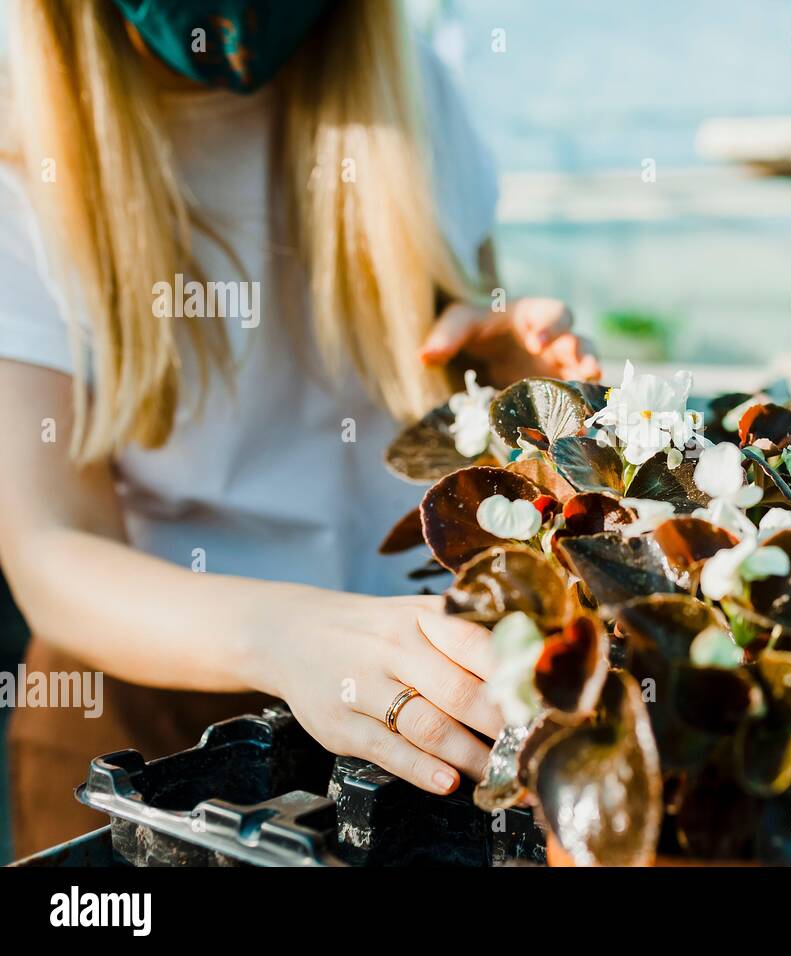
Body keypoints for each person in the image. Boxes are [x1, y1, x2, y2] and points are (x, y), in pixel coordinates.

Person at [0, 0, 598, 856]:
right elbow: (51, 547)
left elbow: (459, 360)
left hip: (419, 686)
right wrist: (288, 636)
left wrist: (506, 385)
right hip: (146, 735)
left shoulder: (415, 94)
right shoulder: (18, 149)